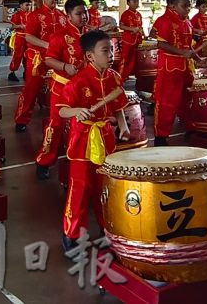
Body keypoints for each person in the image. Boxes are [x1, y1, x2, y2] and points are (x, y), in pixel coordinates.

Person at [58, 30, 129, 251]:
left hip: (105, 136)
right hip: (83, 139)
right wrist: (77, 111)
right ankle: (72, 233)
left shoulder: (113, 77)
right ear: (90, 56)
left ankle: (107, 226)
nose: (111, 55)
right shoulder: (78, 81)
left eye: (112, 50)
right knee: (80, 187)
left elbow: (118, 106)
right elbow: (62, 111)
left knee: (104, 186)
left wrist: (124, 125)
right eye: (105, 51)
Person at [36, 0, 89, 178]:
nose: (84, 17)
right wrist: (65, 67)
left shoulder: (91, 35)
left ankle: (82, 162)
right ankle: (44, 160)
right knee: (56, 124)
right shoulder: (59, 36)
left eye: (85, 12)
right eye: (79, 13)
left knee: (85, 124)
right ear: (68, 16)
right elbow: (49, 59)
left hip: (85, 89)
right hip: (63, 87)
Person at [14, 0, 67, 132]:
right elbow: (29, 37)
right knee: (31, 88)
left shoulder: (62, 16)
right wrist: (47, 46)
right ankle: (21, 119)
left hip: (58, 58)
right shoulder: (34, 16)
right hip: (39, 58)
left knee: (63, 86)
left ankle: (61, 119)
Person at [152, 0, 197, 145]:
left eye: (189, 6)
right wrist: (182, 52)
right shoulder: (165, 21)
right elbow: (161, 44)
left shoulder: (186, 22)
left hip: (185, 66)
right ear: (172, 6)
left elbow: (188, 47)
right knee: (167, 101)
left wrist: (198, 60)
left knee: (187, 98)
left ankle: (191, 126)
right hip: (169, 66)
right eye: (184, 6)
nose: (188, 9)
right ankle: (161, 136)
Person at [118, 0, 144, 81]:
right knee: (125, 58)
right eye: (134, 1)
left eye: (137, 1)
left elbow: (140, 26)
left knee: (134, 59)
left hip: (137, 39)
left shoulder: (139, 14)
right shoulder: (126, 14)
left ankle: (127, 75)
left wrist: (143, 34)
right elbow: (121, 26)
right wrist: (131, 29)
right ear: (128, 3)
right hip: (128, 40)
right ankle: (120, 76)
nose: (136, 3)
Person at [7, 0, 32, 82]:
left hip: (29, 38)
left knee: (28, 56)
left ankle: (26, 72)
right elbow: (12, 27)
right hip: (20, 38)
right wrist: (20, 26)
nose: (28, 7)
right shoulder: (17, 15)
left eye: (29, 5)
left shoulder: (32, 15)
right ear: (21, 5)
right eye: (27, 5)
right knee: (17, 55)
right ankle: (12, 72)